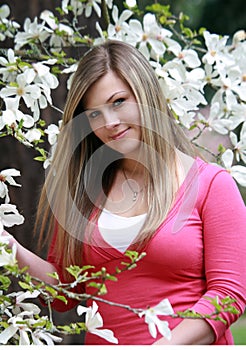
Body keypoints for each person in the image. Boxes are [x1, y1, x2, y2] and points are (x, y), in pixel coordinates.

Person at [4, 40, 246, 345]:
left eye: (118, 102)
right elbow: (65, 292)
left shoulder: (212, 185)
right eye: (94, 114)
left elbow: (229, 295)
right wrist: (8, 248)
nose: (110, 123)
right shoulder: (84, 193)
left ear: (145, 95)